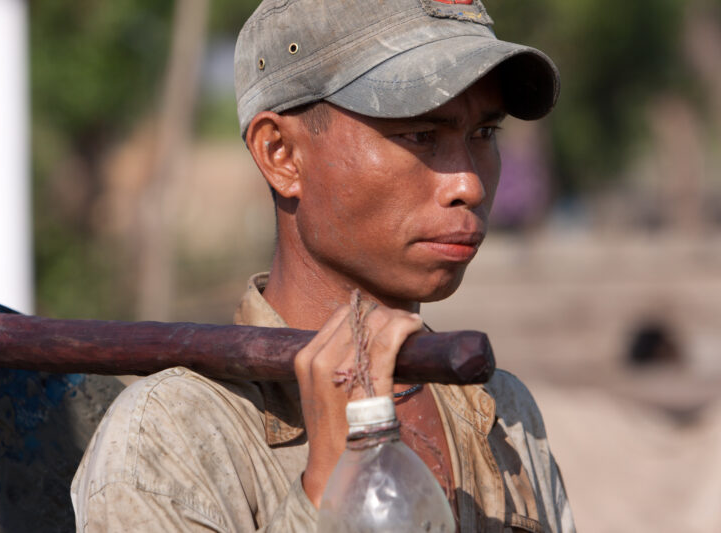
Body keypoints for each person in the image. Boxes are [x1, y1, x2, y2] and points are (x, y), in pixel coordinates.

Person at [71, 0, 576, 531]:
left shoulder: (501, 409)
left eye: (484, 134)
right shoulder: (170, 436)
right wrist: (333, 487)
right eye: (421, 135)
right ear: (280, 154)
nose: (468, 184)